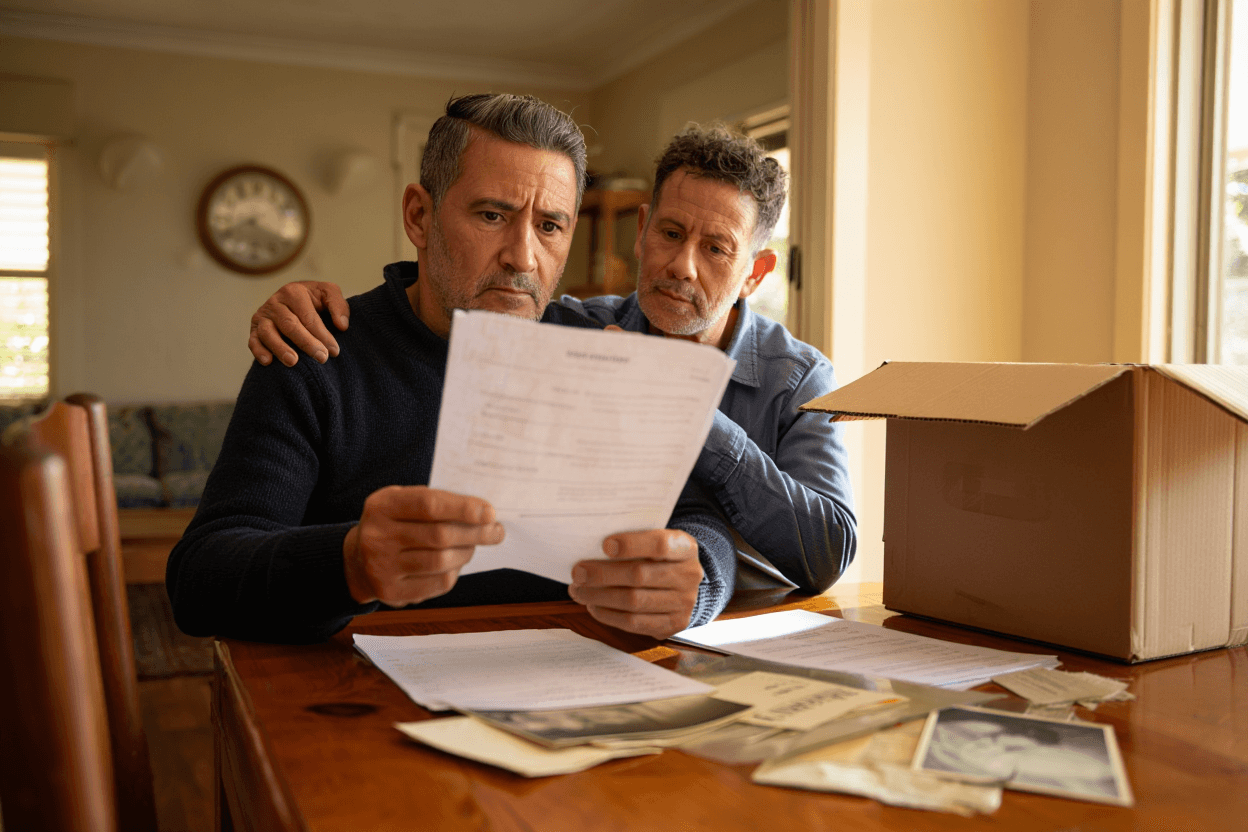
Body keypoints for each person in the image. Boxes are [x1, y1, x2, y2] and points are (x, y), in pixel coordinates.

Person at [166, 94, 737, 644]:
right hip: (354, 700)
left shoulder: (596, 351)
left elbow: (697, 517)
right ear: (419, 215)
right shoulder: (315, 350)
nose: (522, 256)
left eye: (550, 227)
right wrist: (351, 564)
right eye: (493, 215)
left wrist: (697, 579)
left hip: (572, 679)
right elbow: (199, 582)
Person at [248, 125, 857, 594]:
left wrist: (689, 409)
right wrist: (304, 303)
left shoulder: (799, 378)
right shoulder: (573, 332)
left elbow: (825, 553)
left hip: (753, 631)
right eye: (670, 234)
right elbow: (463, 299)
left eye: (718, 249)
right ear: (642, 230)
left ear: (755, 272)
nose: (682, 265)